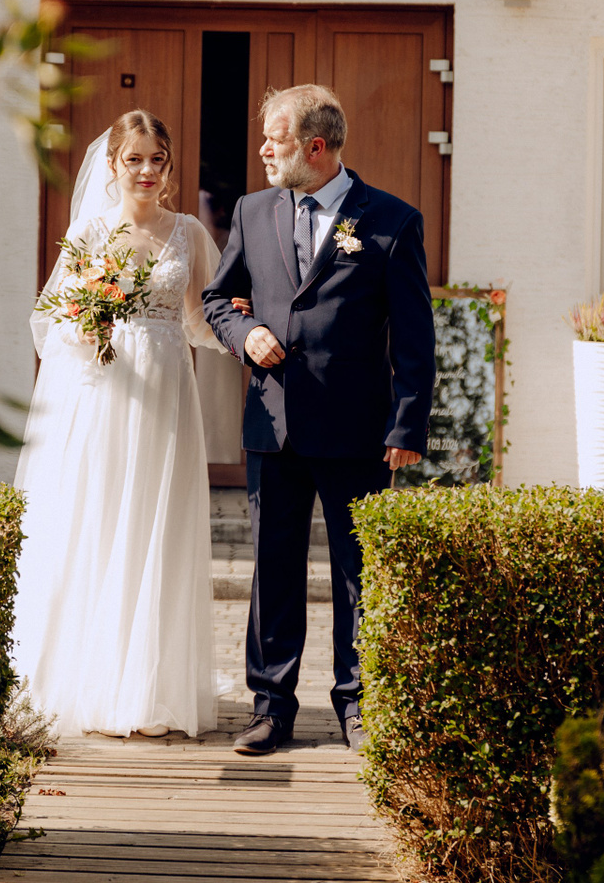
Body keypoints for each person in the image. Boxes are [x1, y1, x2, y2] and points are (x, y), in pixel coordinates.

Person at [201, 84, 436, 755]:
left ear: (315, 146)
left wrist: (407, 426)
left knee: (358, 573)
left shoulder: (391, 221)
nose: (262, 151)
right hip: (273, 425)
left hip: (357, 430)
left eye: (274, 140)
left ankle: (358, 706)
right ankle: (271, 708)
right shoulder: (251, 212)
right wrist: (244, 334)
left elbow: (415, 337)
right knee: (273, 570)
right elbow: (218, 300)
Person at [12, 111, 231, 737]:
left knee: (156, 525)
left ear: (169, 164)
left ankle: (147, 689)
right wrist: (86, 329)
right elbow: (54, 320)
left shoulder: (189, 233)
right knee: (103, 521)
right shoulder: (91, 232)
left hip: (167, 395)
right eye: (134, 159)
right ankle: (94, 684)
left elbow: (198, 319)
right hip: (106, 397)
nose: (146, 171)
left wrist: (244, 335)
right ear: (113, 165)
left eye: (156, 159)